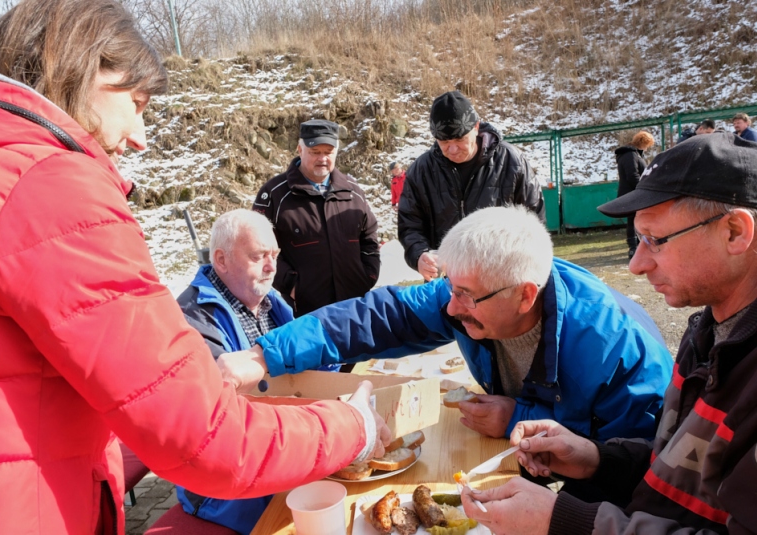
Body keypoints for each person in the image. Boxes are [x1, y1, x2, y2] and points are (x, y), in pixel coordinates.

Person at [0, 1, 390, 533]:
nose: (139, 136)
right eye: (136, 102)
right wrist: (353, 424)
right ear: (85, 67)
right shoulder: (44, 182)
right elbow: (205, 436)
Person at [461, 132, 757, 535]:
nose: (636, 264)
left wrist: (565, 522)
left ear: (735, 232)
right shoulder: (708, 332)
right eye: (638, 240)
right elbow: (679, 471)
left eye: (655, 240)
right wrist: (594, 458)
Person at [221, 206, 673, 443]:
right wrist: (263, 355)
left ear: (525, 295)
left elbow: (622, 463)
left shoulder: (617, 352)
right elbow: (374, 317)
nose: (451, 309)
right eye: (451, 290)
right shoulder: (468, 289)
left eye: (465, 297)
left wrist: (518, 417)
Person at [173, 209, 293, 534]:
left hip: (277, 452)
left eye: (275, 256)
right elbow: (225, 417)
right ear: (221, 261)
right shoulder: (192, 319)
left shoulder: (272, 301)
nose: (271, 267)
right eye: (258, 256)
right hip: (225, 491)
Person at [398, 90, 545, 281]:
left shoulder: (511, 162)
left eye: (460, 140)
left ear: (476, 127)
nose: (452, 149)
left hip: (500, 279)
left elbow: (533, 220)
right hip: (446, 282)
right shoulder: (421, 171)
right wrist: (419, 255)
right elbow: (410, 225)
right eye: (444, 141)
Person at [252, 119, 381, 315]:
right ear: (299, 149)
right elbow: (257, 247)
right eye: (315, 152)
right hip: (303, 312)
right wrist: (292, 286)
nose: (322, 158)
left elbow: (369, 237)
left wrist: (368, 276)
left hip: (354, 308)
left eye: (328, 152)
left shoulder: (353, 192)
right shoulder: (274, 194)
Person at [615, 131, 655, 260]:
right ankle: (633, 247)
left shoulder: (632, 154)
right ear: (643, 143)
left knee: (635, 220)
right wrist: (643, 188)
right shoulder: (630, 154)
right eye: (647, 145)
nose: (648, 148)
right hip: (632, 192)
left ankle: (636, 246)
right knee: (633, 220)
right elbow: (632, 174)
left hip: (633, 191)